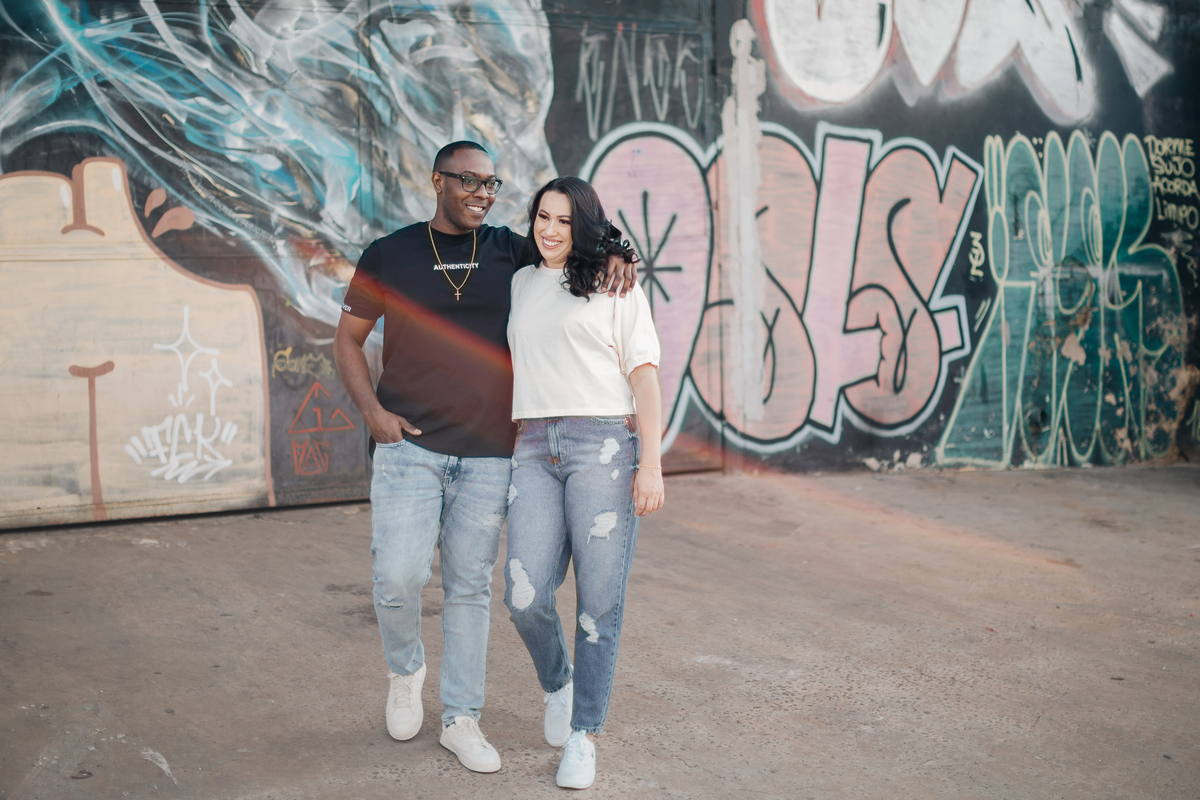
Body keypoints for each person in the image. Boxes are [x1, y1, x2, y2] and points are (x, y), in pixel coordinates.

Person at [334, 144, 635, 774]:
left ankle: (460, 718)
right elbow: (348, 341)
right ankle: (405, 671)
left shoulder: (511, 251)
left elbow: (572, 242)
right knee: (397, 579)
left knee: (470, 588)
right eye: (468, 181)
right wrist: (373, 414)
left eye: (491, 183)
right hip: (409, 447)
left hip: (490, 454)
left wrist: (618, 254)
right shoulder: (389, 254)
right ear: (437, 180)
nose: (482, 193)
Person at [503, 177, 665, 789]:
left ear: (584, 227)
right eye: (542, 217)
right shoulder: (521, 282)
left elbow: (644, 378)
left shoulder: (616, 284)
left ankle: (584, 734)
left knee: (598, 603)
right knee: (524, 596)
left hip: (603, 447)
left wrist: (651, 464)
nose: (550, 230)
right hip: (532, 446)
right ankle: (559, 683)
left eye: (565, 221)